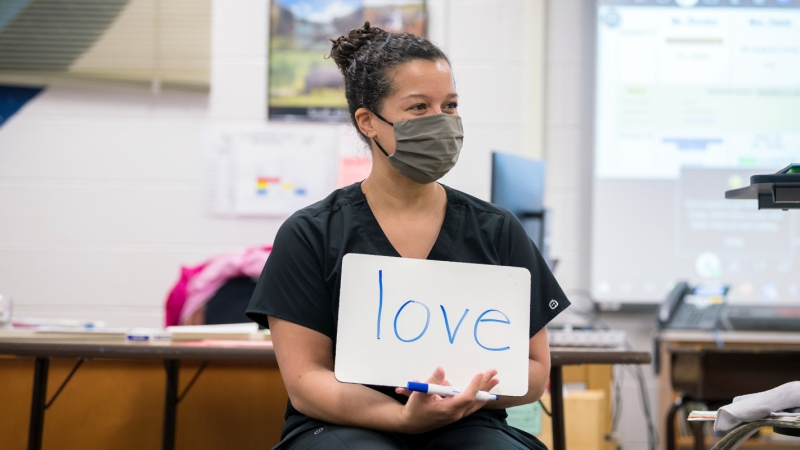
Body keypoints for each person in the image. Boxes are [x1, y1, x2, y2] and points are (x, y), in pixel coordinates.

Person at [246, 22, 570, 450]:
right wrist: (402, 418)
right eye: (419, 108)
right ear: (368, 122)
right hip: (344, 425)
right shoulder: (311, 234)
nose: (442, 122)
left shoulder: (497, 230)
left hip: (466, 423)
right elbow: (307, 381)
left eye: (450, 106)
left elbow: (532, 373)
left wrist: (467, 392)